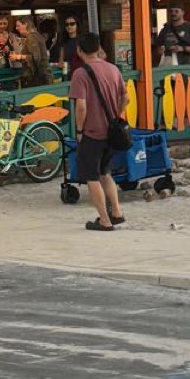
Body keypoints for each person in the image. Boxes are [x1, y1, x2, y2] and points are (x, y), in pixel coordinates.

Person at [69, 34, 127, 233]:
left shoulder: (80, 73)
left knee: (91, 176)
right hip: (110, 132)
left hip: (92, 132)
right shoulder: (112, 68)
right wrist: (114, 116)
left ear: (79, 50)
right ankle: (117, 212)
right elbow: (125, 98)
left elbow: (81, 107)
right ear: (98, 48)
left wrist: (79, 130)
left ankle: (104, 220)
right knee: (105, 172)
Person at [16, 17, 52, 87]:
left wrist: (18, 57)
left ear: (25, 24)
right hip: (41, 76)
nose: (16, 28)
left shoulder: (31, 36)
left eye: (18, 26)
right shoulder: (36, 35)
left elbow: (36, 57)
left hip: (37, 77)